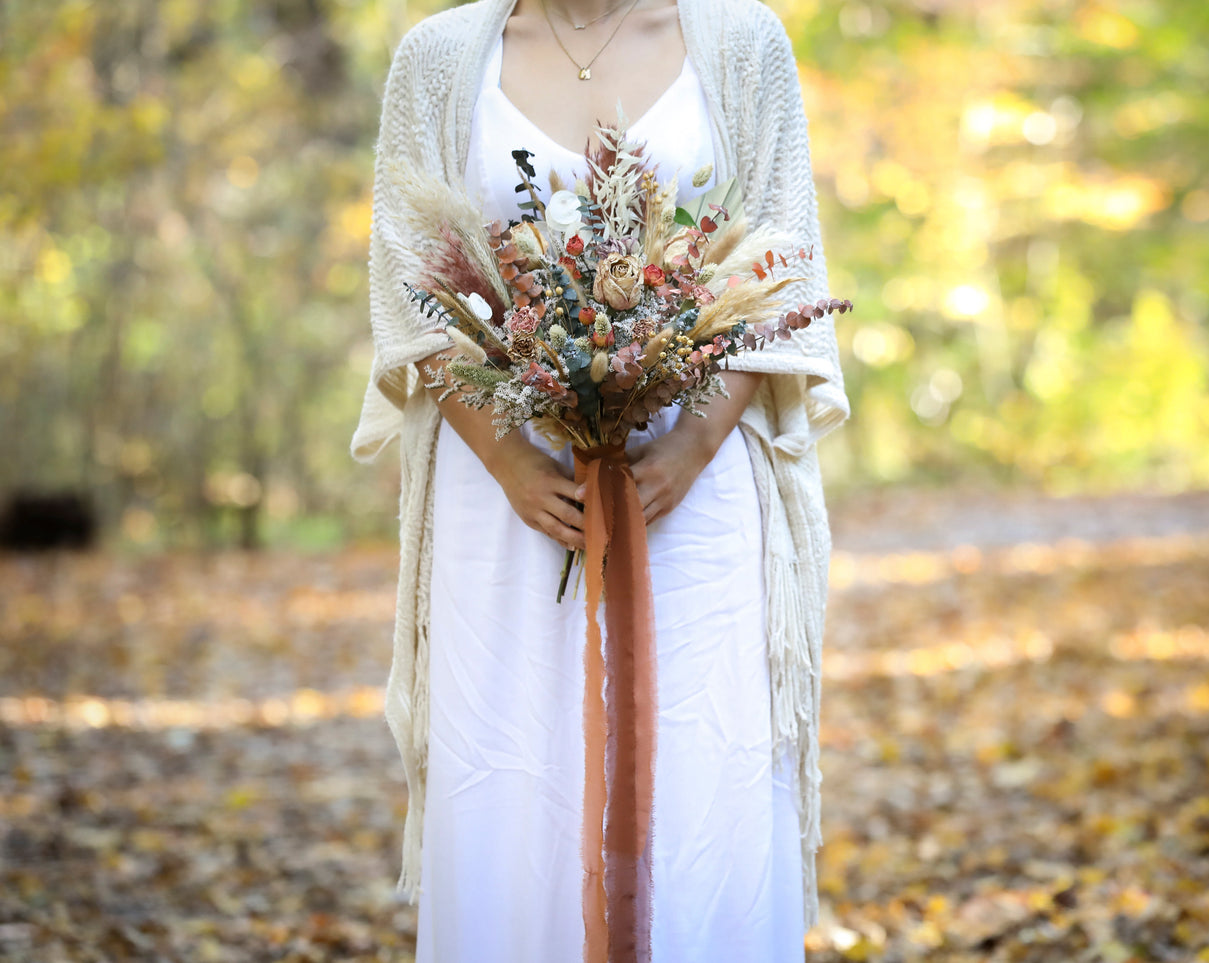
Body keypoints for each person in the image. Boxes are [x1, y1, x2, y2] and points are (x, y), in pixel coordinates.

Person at [348, 0, 848, 957]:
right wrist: (506, 462)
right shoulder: (439, 58)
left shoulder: (742, 41)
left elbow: (785, 258)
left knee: (705, 766)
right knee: (509, 771)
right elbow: (407, 284)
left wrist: (692, 446)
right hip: (506, 494)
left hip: (692, 494)